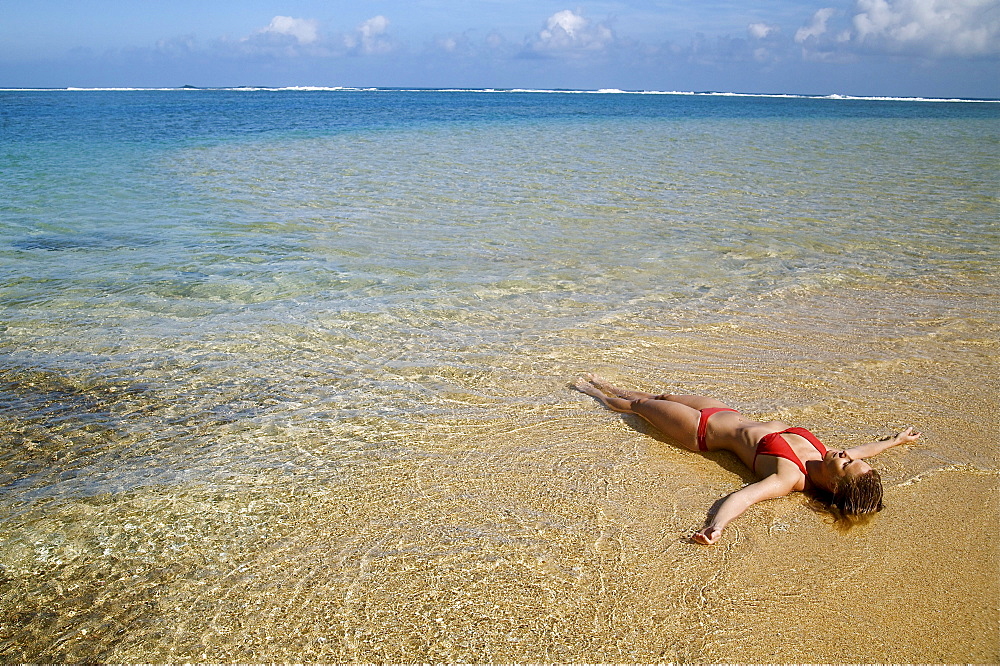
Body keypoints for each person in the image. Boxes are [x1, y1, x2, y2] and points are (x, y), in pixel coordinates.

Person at [573, 374, 921, 545]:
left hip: (700, 430)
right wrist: (896, 440)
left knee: (638, 408)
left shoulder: (789, 477)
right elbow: (865, 451)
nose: (845, 454)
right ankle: (607, 384)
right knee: (659, 396)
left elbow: (742, 498)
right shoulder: (826, 455)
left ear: (833, 483)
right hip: (723, 410)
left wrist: (716, 527)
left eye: (845, 464)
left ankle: (590, 391)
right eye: (848, 458)